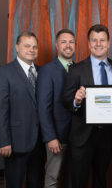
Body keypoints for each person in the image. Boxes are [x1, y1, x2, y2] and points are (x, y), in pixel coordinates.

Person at [62, 24, 112, 188]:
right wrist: (76, 100)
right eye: (94, 40)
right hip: (82, 135)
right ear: (88, 43)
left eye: (102, 40)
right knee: (79, 180)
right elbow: (66, 98)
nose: (98, 44)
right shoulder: (76, 69)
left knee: (101, 178)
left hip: (108, 135)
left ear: (108, 43)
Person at [0, 32, 45, 188]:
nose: (31, 50)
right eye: (27, 46)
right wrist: (3, 141)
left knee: (36, 183)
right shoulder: (3, 73)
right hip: (14, 143)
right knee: (14, 184)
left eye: (34, 46)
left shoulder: (43, 72)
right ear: (17, 47)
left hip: (39, 142)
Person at [37, 29, 75, 187]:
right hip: (56, 137)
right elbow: (43, 107)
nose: (68, 45)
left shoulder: (79, 68)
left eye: (71, 42)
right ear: (57, 45)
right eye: (64, 42)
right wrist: (50, 137)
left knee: (72, 178)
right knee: (52, 177)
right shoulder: (47, 70)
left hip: (77, 136)